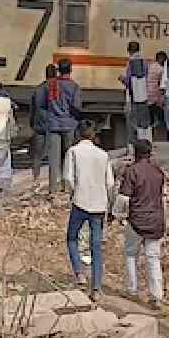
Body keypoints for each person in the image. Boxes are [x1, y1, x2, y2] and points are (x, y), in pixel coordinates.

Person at [63, 120, 115, 301]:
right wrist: (109, 203)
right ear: (93, 135)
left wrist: (71, 194)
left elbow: (68, 179)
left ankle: (79, 272)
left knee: (71, 238)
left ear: (78, 134)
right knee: (96, 246)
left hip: (80, 200)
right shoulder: (103, 155)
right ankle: (97, 287)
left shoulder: (73, 152)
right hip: (99, 204)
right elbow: (110, 183)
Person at [116, 139, 165, 309]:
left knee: (131, 254)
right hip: (156, 221)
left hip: (136, 221)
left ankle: (132, 290)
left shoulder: (132, 171)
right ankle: (156, 296)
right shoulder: (158, 172)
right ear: (150, 153)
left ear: (135, 153)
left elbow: (123, 198)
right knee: (153, 258)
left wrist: (115, 214)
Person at [45, 58, 84, 193]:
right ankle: (68, 187)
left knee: (54, 159)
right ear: (70, 70)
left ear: (58, 70)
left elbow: (45, 104)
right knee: (68, 157)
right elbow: (77, 106)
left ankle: (53, 188)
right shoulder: (74, 87)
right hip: (69, 124)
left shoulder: (51, 85)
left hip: (53, 124)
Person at [120, 41, 153, 148]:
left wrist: (122, 79)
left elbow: (129, 81)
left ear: (128, 50)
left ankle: (133, 147)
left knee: (132, 123)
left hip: (132, 97)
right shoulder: (145, 62)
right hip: (143, 95)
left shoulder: (131, 62)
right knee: (144, 122)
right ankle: (147, 145)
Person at [28, 64, 57, 182]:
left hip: (39, 125)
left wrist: (33, 123)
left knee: (37, 156)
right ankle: (53, 181)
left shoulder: (39, 89)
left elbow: (33, 108)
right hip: (54, 126)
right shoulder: (56, 88)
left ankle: (35, 179)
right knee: (54, 155)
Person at [148, 51, 167, 132]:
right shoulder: (161, 69)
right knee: (161, 116)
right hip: (155, 96)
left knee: (150, 117)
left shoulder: (150, 66)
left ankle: (150, 134)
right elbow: (162, 85)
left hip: (147, 95)